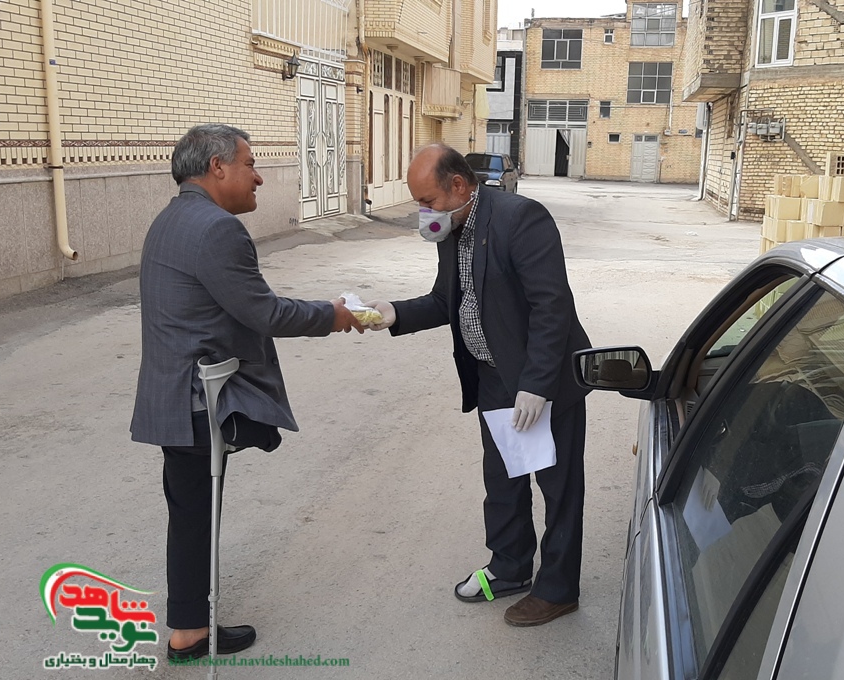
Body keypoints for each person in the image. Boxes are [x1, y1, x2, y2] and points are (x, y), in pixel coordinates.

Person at [130, 124, 363, 660]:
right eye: (250, 164)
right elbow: (265, 312)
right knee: (195, 513)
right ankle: (190, 631)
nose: (258, 177)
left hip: (171, 395)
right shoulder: (217, 228)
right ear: (217, 167)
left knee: (190, 513)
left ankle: (188, 627)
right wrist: (332, 314)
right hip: (199, 400)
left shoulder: (170, 218)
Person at [365, 144, 592, 627]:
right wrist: (395, 313)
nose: (424, 213)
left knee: (558, 487)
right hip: (493, 376)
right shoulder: (452, 228)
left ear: (459, 186)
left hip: (544, 382)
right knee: (503, 479)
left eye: (428, 201)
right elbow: (447, 299)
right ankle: (510, 567)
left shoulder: (521, 219)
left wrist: (536, 384)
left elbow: (552, 306)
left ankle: (557, 590)